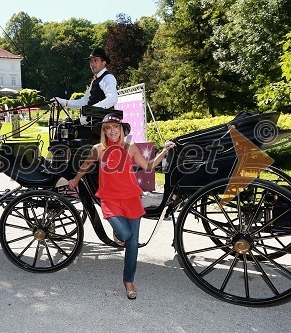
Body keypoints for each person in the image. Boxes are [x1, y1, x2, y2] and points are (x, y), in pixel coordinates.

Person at [68, 113, 175, 300]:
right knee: (126, 235)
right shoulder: (98, 149)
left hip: (132, 198)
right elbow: (85, 166)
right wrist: (75, 180)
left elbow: (148, 166)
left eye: (115, 127)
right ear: (103, 131)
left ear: (122, 129)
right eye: (108, 128)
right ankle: (118, 233)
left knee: (133, 244)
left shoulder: (129, 147)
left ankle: (128, 281)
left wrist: (164, 151)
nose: (112, 131)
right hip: (109, 200)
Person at [53, 47, 118, 109]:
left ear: (104, 63)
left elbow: (113, 98)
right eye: (91, 61)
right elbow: (84, 102)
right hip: (90, 118)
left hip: (98, 119)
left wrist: (91, 109)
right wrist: (63, 102)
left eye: (95, 60)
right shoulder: (96, 80)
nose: (92, 64)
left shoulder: (107, 77)